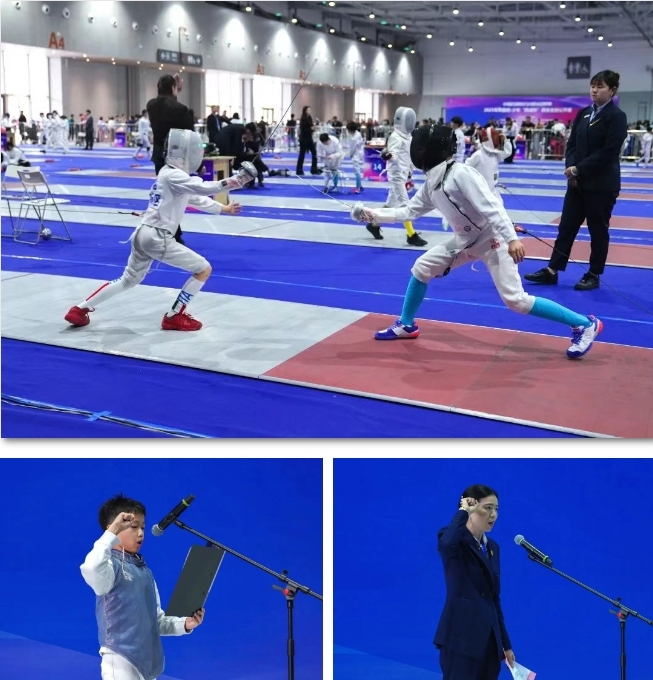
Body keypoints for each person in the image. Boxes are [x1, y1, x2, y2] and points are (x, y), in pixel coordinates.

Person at [350, 124, 604, 359]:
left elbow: (491, 206)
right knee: (421, 268)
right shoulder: (431, 183)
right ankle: (406, 324)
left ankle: (584, 324)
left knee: (516, 300)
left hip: (492, 239)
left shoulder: (460, 173)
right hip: (464, 241)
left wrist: (511, 239)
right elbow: (408, 211)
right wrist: (371, 215)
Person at [64, 129, 257, 332]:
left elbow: (195, 198)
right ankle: (174, 316)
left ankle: (80, 309)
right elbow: (203, 187)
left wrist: (224, 208)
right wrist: (238, 180)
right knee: (203, 269)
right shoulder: (174, 175)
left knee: (127, 280)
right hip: (157, 237)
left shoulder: (167, 173)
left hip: (142, 234)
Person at [80, 494, 205, 680]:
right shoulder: (109, 568)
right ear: (112, 529)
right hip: (120, 660)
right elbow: (90, 568)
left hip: (148, 665)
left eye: (143, 527)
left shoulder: (145, 572)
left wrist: (185, 624)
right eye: (133, 527)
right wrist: (111, 533)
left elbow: (157, 621)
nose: (140, 533)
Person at [524, 70, 628, 291]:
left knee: (597, 231)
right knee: (566, 228)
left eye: (600, 86)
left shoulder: (616, 116)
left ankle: (594, 273)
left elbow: (608, 152)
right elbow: (571, 145)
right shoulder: (583, 113)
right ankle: (552, 270)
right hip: (577, 184)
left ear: (612, 90)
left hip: (601, 185)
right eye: (592, 86)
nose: (594, 90)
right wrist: (571, 170)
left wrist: (579, 169)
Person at [434, 485, 515, 680]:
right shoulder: (454, 539)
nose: (493, 514)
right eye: (487, 508)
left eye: (496, 509)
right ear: (471, 508)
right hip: (461, 639)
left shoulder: (493, 547)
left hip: (489, 643)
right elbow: (446, 545)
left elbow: (493, 600)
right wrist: (462, 511)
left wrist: (505, 644)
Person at [365, 107, 427, 247]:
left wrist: (413, 169)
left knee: (391, 204)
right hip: (396, 175)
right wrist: (387, 156)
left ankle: (374, 224)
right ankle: (411, 235)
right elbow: (393, 156)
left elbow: (408, 156)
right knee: (406, 205)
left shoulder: (408, 136)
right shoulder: (396, 137)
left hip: (404, 173)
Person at [147, 73, 194, 245]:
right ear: (173, 88)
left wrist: (174, 91)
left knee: (163, 193)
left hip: (159, 155)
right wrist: (198, 163)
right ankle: (174, 233)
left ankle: (169, 231)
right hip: (177, 158)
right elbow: (190, 137)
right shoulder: (182, 109)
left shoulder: (151, 105)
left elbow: (165, 106)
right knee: (177, 196)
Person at [296, 105, 319, 175]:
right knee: (302, 155)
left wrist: (313, 128)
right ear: (305, 111)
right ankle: (299, 170)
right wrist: (311, 128)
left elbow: (311, 127)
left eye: (310, 110)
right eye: (308, 110)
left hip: (309, 138)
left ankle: (314, 169)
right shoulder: (303, 119)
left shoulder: (309, 118)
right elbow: (305, 129)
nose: (310, 111)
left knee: (314, 153)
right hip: (304, 139)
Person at [345, 120, 365, 194]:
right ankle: (360, 186)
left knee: (357, 172)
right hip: (360, 153)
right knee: (358, 170)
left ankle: (358, 188)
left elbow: (352, 148)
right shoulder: (358, 133)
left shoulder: (354, 138)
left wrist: (350, 155)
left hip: (356, 155)